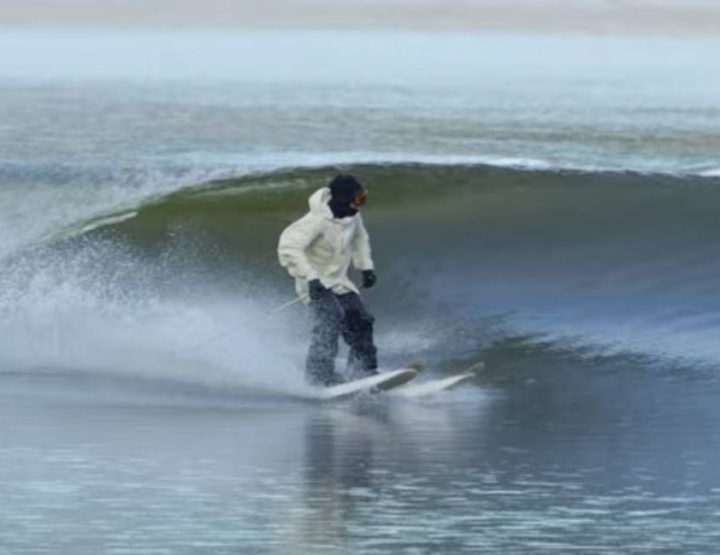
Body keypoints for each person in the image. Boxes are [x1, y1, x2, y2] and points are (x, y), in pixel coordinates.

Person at [277, 174, 378, 386]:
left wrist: (365, 267)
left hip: (339, 283)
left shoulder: (353, 217)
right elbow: (288, 248)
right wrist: (312, 278)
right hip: (315, 285)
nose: (360, 205)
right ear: (341, 198)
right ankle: (319, 378)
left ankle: (363, 372)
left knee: (363, 321)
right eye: (357, 199)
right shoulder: (317, 220)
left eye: (363, 199)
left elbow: (360, 240)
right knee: (329, 323)